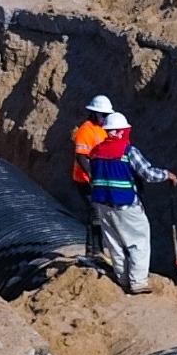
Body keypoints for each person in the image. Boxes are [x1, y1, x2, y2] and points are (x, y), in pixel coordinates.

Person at [85, 110, 176, 294]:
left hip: (101, 203)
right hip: (125, 204)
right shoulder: (128, 152)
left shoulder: (95, 152)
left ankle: (123, 279)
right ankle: (138, 282)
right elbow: (148, 174)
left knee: (114, 243)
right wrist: (167, 174)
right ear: (120, 131)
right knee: (138, 241)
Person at [70, 95, 117, 255]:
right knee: (95, 213)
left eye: (106, 115)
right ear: (94, 113)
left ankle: (99, 249)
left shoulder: (104, 129)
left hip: (100, 180)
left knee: (101, 214)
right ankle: (93, 251)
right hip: (85, 181)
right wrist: (93, 176)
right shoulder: (85, 131)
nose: (105, 118)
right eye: (102, 115)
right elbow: (81, 156)